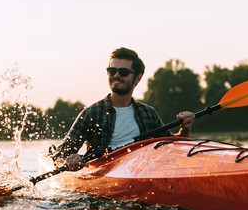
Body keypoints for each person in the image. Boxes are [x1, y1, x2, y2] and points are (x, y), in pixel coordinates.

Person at [51, 47, 195, 171]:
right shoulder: (92, 113)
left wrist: (185, 128)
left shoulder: (148, 113)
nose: (116, 75)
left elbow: (172, 146)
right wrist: (68, 160)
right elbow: (61, 154)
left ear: (137, 78)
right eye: (112, 71)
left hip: (142, 171)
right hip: (104, 177)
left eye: (123, 72)